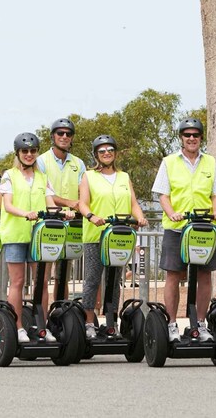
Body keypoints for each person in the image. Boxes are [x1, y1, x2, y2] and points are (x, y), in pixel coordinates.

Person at [152, 118, 216, 342]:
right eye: (187, 135)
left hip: (205, 228)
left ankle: (200, 324)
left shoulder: (211, 163)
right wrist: (171, 212)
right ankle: (172, 324)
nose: (192, 138)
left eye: (196, 135)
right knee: (173, 275)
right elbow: (162, 195)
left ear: (201, 138)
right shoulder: (169, 162)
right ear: (181, 138)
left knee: (205, 275)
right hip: (177, 228)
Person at [0, 132, 71, 343]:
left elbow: (50, 203)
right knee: (18, 282)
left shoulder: (42, 178)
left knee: (41, 282)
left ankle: (42, 327)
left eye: (32, 151)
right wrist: (25, 213)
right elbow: (8, 204)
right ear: (18, 153)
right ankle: (18, 327)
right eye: (25, 151)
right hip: (15, 234)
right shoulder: (9, 175)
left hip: (39, 237)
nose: (29, 154)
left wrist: (63, 211)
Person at [77, 135, 147, 339]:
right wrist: (92, 216)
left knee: (114, 280)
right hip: (96, 235)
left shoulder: (124, 177)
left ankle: (111, 322)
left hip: (118, 235)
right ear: (96, 154)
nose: (106, 153)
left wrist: (141, 217)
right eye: (102, 150)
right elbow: (83, 203)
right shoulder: (88, 176)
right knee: (91, 280)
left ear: (115, 153)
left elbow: (133, 203)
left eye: (110, 150)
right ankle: (89, 322)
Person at [37, 117, 86, 300]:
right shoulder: (41, 161)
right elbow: (42, 192)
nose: (64, 136)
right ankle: (42, 319)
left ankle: (61, 313)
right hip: (48, 224)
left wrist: (80, 204)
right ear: (53, 136)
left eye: (68, 134)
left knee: (63, 277)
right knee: (43, 276)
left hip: (71, 223)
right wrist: (69, 203)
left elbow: (83, 192)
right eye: (60, 133)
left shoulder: (78, 164)